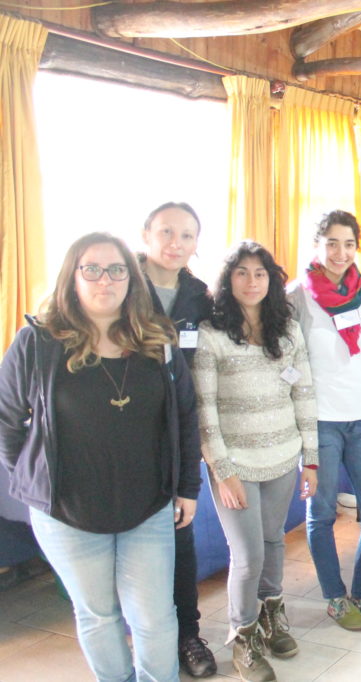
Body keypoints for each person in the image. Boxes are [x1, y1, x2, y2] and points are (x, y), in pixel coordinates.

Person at [0, 232, 200, 682]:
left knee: (155, 617)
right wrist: (35, 477)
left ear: (132, 278)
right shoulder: (37, 343)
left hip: (147, 506)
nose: (104, 279)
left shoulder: (158, 342)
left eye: (116, 269)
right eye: (91, 269)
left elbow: (186, 416)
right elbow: (6, 422)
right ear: (72, 277)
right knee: (98, 615)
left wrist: (188, 487)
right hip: (67, 514)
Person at [193, 241, 318, 681]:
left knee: (272, 541)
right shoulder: (211, 333)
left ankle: (272, 613)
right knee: (247, 556)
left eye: (260, 273)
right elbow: (204, 410)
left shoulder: (288, 329)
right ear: (228, 280)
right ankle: (243, 636)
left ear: (271, 280)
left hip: (283, 456)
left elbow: (304, 394)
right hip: (236, 465)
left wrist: (311, 458)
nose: (251, 281)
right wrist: (222, 470)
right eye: (241, 273)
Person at [289, 210, 361, 631]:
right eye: (331, 243)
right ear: (317, 245)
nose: (340, 252)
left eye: (349, 244)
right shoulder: (297, 296)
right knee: (321, 515)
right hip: (319, 423)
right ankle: (335, 597)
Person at [138, 200, 217, 677]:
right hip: (126, 425)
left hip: (177, 428)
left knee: (179, 535)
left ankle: (188, 635)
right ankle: (144, 635)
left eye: (186, 235)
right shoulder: (120, 284)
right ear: (146, 234)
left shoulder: (198, 297)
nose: (175, 243)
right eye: (166, 232)